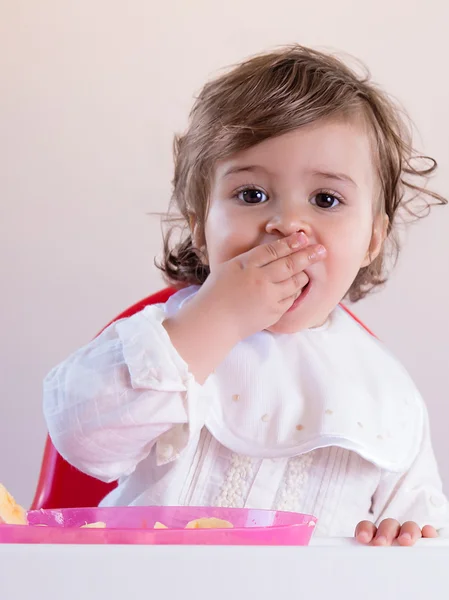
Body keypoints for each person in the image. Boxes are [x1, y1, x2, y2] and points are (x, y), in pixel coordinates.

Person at [43, 45, 449, 545]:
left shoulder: (388, 392)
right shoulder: (163, 340)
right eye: (251, 195)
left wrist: (406, 534)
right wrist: (214, 322)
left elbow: (427, 532)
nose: (287, 224)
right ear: (199, 227)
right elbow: (81, 437)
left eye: (326, 199)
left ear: (371, 239)